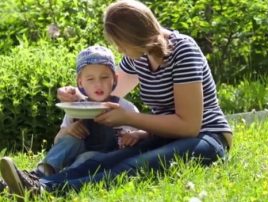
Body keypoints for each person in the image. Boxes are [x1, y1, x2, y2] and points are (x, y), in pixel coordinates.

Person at [0, 0, 232, 197]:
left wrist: (130, 118)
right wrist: (76, 97)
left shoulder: (183, 51)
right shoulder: (138, 57)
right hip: (165, 137)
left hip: (207, 138)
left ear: (134, 36)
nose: (118, 49)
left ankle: (44, 191)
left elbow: (189, 126)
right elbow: (106, 94)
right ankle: (29, 182)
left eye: (119, 43)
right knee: (104, 160)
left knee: (132, 166)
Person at [0, 45, 148, 196]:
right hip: (75, 152)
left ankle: (53, 182)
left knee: (87, 157)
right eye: (90, 79)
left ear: (115, 79)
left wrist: (136, 135)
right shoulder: (76, 108)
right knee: (71, 140)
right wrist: (68, 131)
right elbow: (59, 141)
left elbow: (145, 133)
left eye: (104, 77)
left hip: (103, 158)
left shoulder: (123, 107)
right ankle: (38, 173)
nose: (98, 84)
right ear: (80, 82)